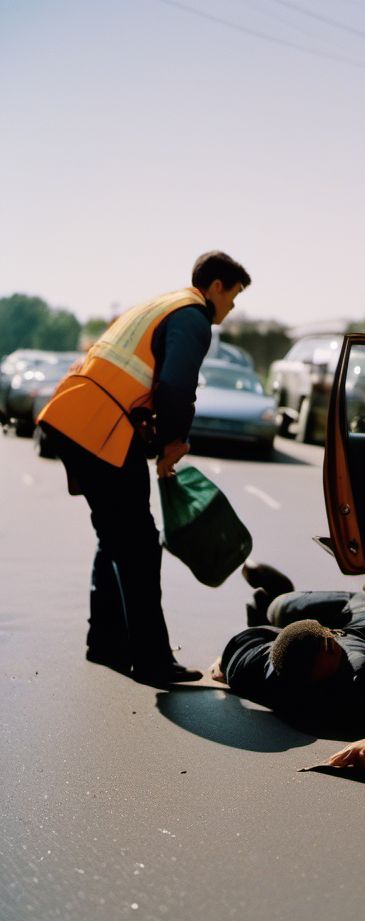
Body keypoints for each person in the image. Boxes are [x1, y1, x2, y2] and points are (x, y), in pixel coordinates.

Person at [36, 251, 251, 684]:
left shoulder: (163, 304)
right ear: (215, 287)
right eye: (234, 295)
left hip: (75, 419)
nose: (232, 307)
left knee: (115, 535)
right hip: (100, 428)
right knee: (138, 544)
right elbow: (175, 385)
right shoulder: (193, 316)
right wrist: (174, 441)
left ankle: (106, 644)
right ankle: (151, 660)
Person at [211, 570, 365, 768]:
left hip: (347, 618)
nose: (331, 638)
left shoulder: (258, 669)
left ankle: (281, 602)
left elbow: (241, 645)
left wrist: (223, 665)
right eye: (329, 643)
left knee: (280, 607)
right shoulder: (359, 680)